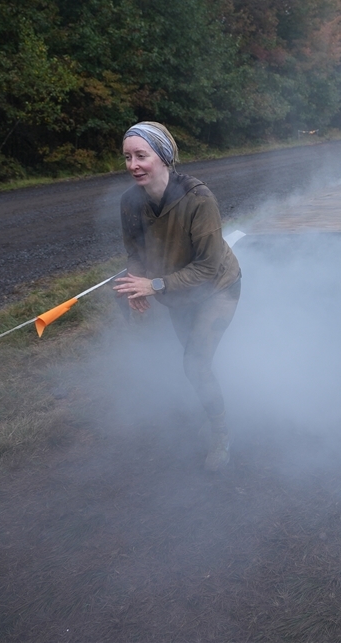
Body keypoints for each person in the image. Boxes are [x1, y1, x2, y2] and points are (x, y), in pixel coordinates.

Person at [113, 122, 241, 472]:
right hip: (177, 293)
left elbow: (208, 268)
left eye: (142, 155)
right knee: (194, 362)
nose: (133, 165)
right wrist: (136, 282)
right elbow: (135, 252)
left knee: (194, 364)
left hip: (217, 287)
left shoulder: (198, 199)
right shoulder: (130, 202)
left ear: (164, 157)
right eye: (127, 157)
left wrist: (152, 287)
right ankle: (214, 407)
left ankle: (221, 434)